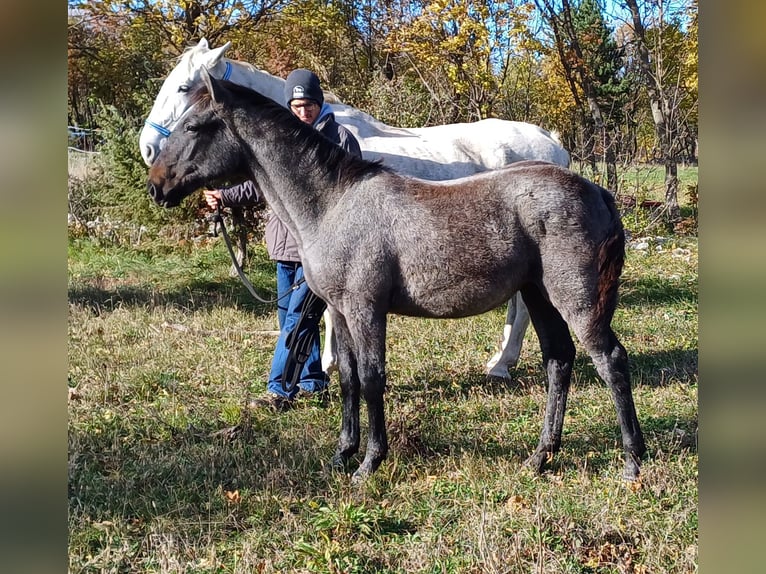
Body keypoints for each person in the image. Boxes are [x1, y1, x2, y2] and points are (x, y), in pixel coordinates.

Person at [203, 69, 362, 412]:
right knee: (290, 317)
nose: (303, 111)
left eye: (309, 105)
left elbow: (355, 190)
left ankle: (279, 390)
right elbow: (260, 186)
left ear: (319, 103)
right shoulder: (282, 138)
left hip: (321, 247)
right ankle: (312, 382)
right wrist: (224, 196)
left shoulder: (342, 138)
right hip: (283, 244)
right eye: (297, 105)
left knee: (299, 318)